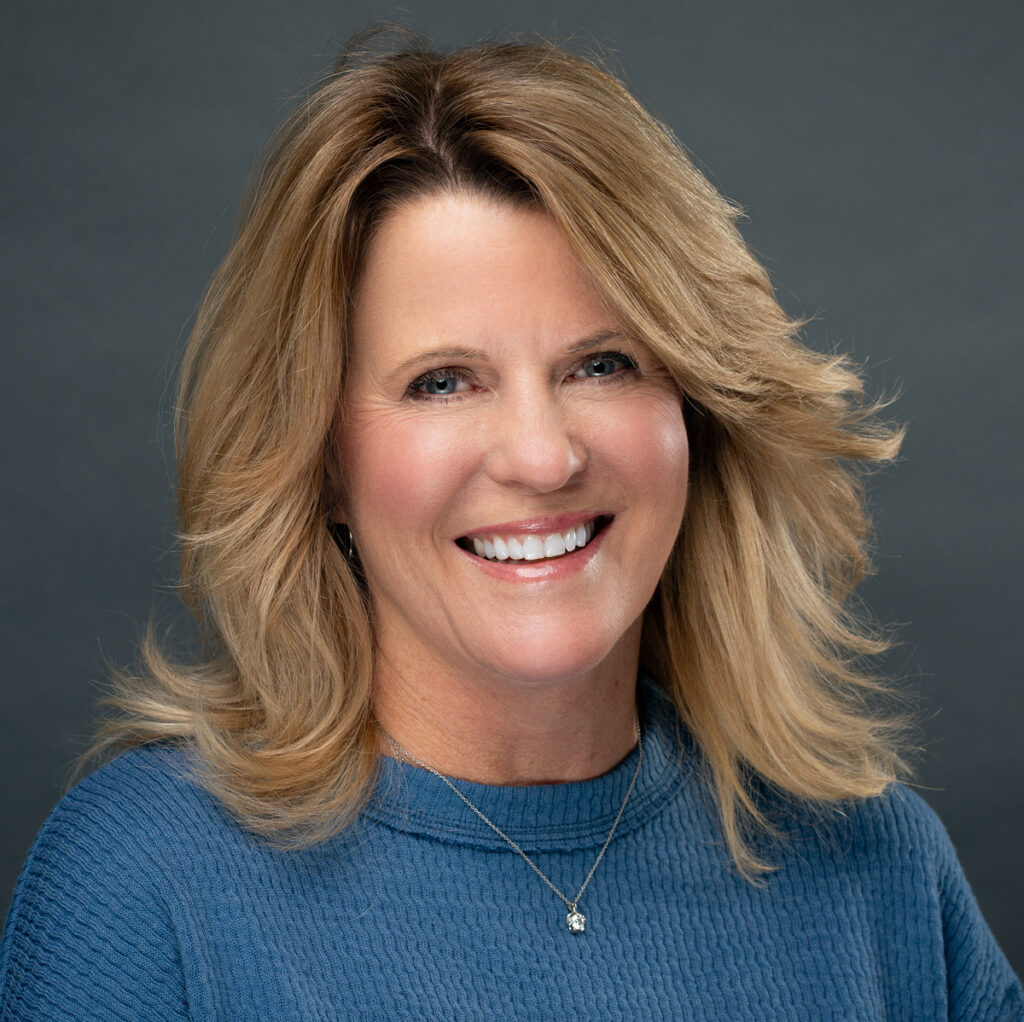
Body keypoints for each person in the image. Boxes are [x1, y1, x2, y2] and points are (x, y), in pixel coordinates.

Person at [1, 28, 1020, 1020]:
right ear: (320, 462)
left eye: (602, 364)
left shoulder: (877, 873)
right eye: (442, 381)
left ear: (698, 413)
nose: (541, 455)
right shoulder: (144, 887)